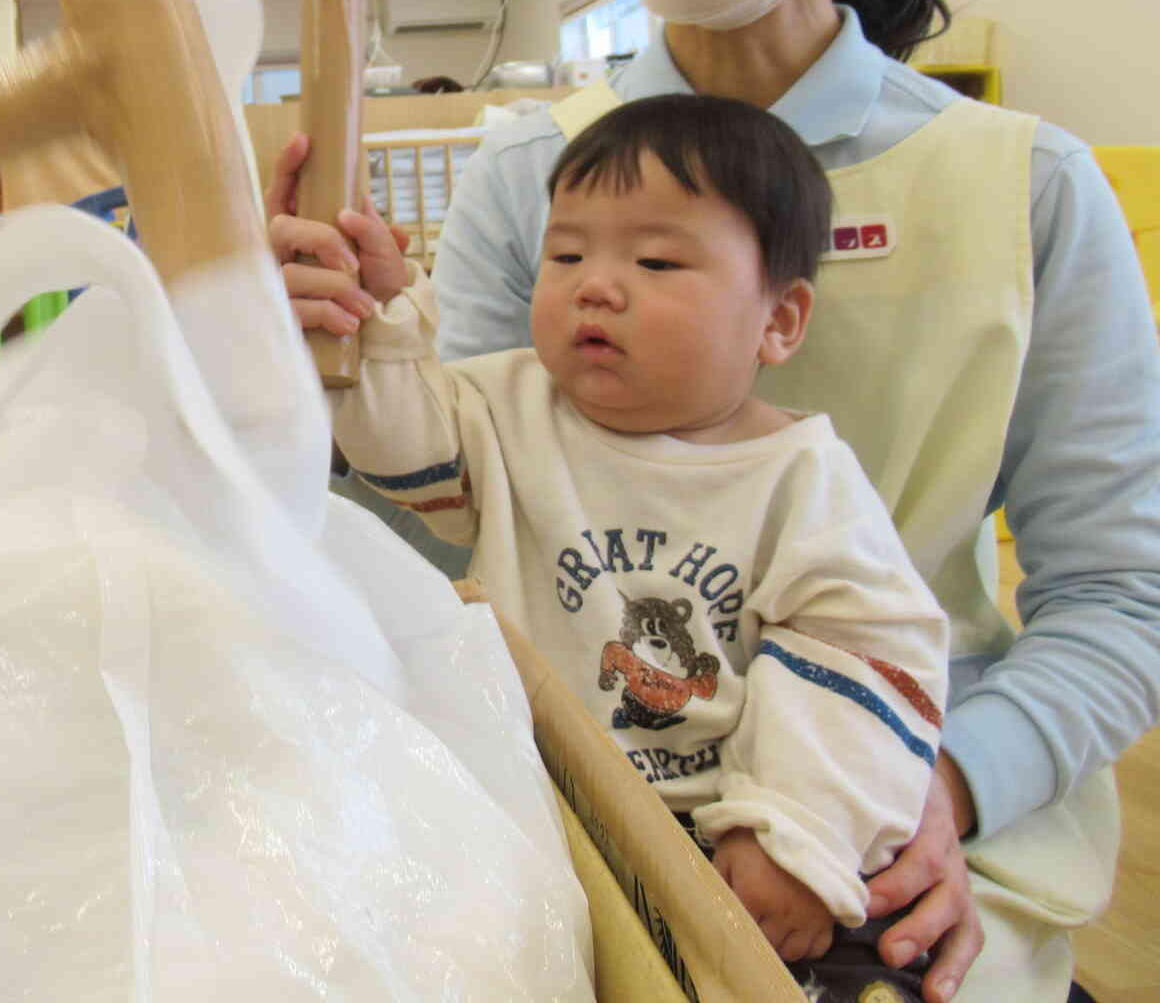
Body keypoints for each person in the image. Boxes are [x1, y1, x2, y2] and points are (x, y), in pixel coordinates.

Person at [275, 0, 1160, 1003]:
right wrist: (329, 350)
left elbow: (1124, 591)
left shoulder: (1021, 188)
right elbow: (452, 530)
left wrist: (946, 789)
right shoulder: (531, 175)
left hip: (925, 817)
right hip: (578, 799)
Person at [302, 93, 951, 996]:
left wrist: (794, 834)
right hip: (545, 809)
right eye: (565, 254)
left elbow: (866, 657)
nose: (595, 285)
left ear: (781, 320)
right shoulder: (506, 406)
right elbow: (407, 455)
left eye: (655, 260)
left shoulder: (802, 479)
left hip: (736, 834)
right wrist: (379, 318)